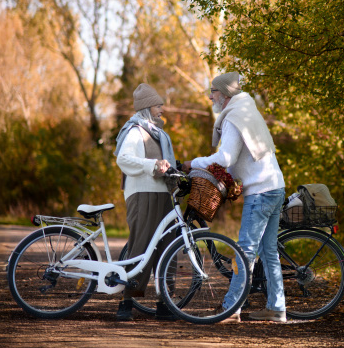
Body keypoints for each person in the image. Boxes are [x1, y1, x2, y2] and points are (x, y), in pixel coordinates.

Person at [184, 72, 286, 323]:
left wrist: (192, 163)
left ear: (225, 95)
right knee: (269, 251)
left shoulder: (234, 118)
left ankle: (231, 308)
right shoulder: (248, 111)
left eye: (214, 92)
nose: (210, 96)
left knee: (245, 252)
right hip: (275, 186)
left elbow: (225, 158)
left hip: (261, 192)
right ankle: (276, 308)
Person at [114, 83, 177, 321]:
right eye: (158, 105)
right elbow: (124, 159)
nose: (162, 109)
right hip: (142, 194)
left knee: (167, 248)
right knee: (140, 247)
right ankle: (126, 302)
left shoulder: (158, 133)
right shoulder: (135, 131)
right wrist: (152, 165)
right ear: (147, 107)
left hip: (162, 194)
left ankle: (165, 303)